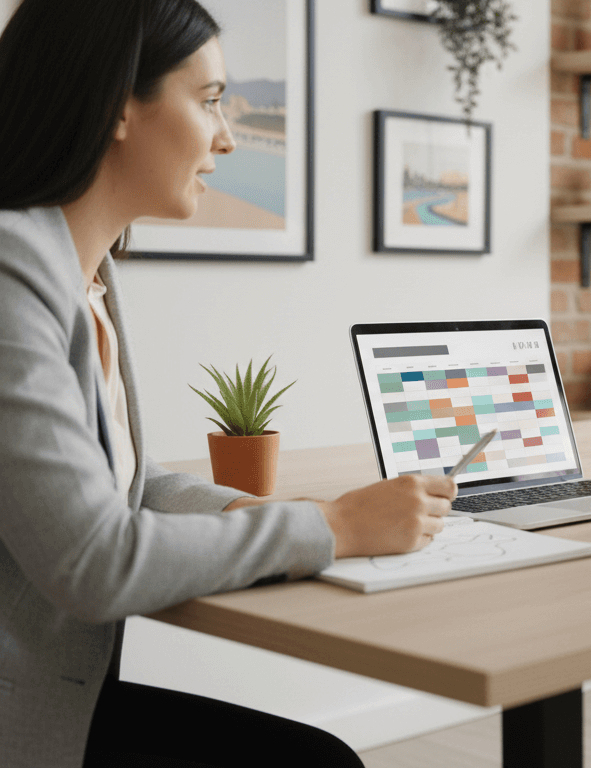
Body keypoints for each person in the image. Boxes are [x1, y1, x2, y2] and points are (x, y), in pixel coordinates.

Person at [0, 1, 458, 765]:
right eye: (210, 100)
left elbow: (126, 487)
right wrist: (334, 528)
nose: (228, 136)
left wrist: (272, 511)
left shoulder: (89, 275)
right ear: (118, 105)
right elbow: (92, 562)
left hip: (63, 692)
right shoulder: (12, 273)